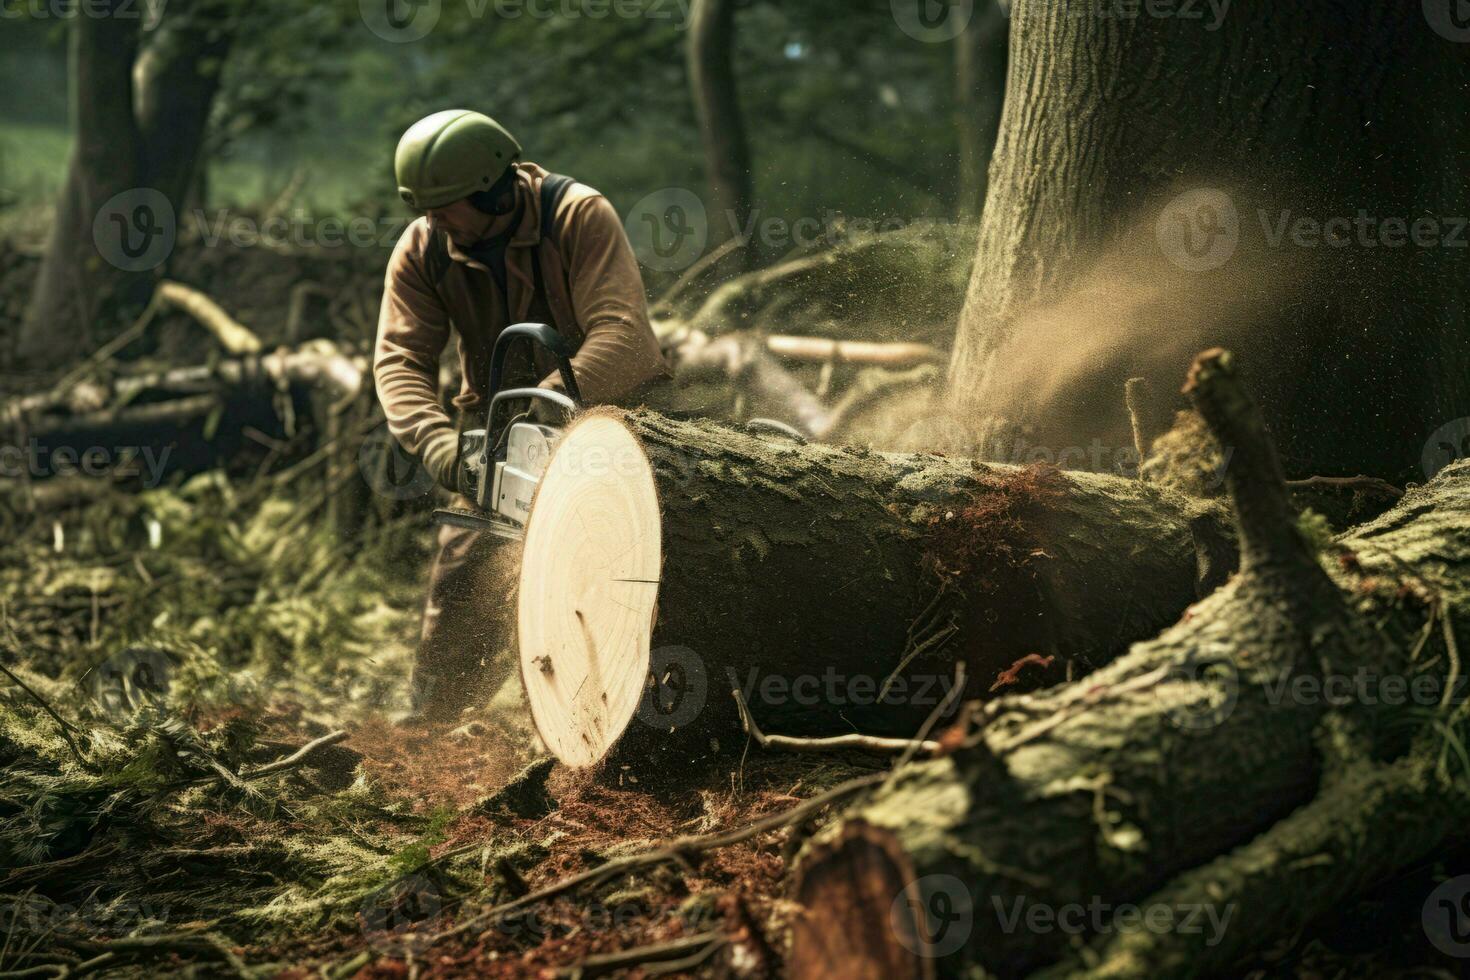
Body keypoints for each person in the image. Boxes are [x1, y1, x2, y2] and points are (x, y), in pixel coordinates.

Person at [374, 109, 669, 722]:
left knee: (625, 573)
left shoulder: (577, 216)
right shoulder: (425, 248)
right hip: (495, 435)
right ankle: (435, 724)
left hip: (609, 420)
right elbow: (399, 360)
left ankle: (621, 714)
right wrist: (436, 446)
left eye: (448, 205)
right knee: (463, 572)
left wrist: (549, 405)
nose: (435, 222)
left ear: (495, 187)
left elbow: (625, 336)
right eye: (426, 208)